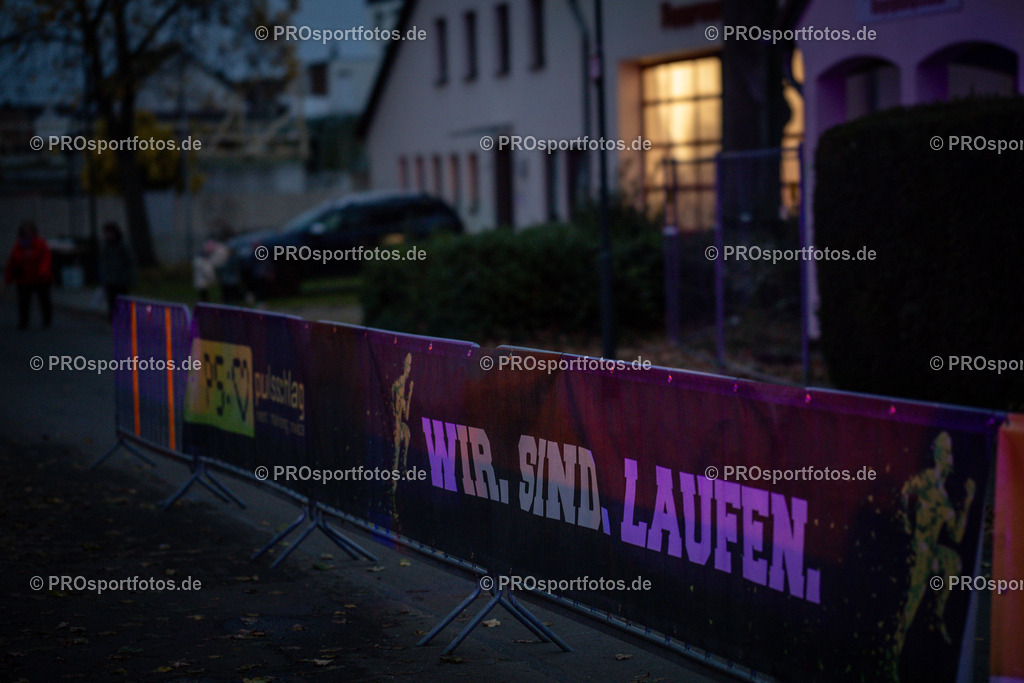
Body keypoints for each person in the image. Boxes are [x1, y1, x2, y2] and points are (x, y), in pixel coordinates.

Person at [4, 220, 53, 329]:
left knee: (44, 300)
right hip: (24, 278)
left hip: (40, 277)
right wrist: (9, 277)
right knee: (23, 301)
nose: (27, 234)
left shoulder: (40, 243)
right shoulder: (19, 245)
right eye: (25, 231)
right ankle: (24, 321)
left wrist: (42, 271)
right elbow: (12, 261)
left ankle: (46, 321)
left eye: (29, 231)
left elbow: (45, 259)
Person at [98, 221, 136, 323]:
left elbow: (129, 261)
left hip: (121, 278)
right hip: (110, 278)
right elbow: (103, 261)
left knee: (122, 300)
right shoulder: (106, 245)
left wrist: (129, 277)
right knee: (112, 301)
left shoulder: (122, 245)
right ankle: (114, 320)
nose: (108, 235)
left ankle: (123, 320)